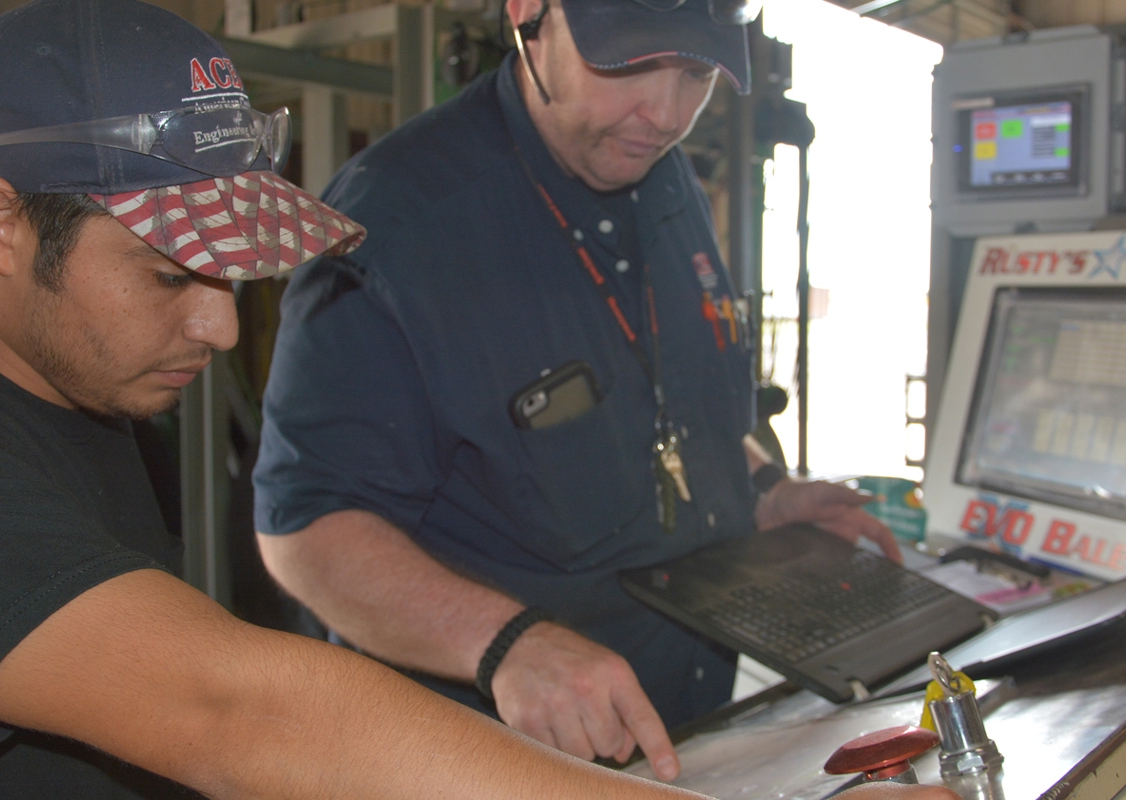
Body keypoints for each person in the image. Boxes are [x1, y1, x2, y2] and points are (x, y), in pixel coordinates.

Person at [0, 1, 962, 798]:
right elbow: (233, 709)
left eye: (231, 278)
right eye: (172, 276)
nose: (221, 327)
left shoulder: (82, 407)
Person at [253, 0, 905, 782]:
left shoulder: (662, 174)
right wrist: (505, 644)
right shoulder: (395, 221)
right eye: (629, 64)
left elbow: (674, 403)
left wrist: (766, 492)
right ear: (531, 16)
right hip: (488, 764)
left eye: (695, 74)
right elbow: (304, 530)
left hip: (690, 734)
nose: (665, 115)